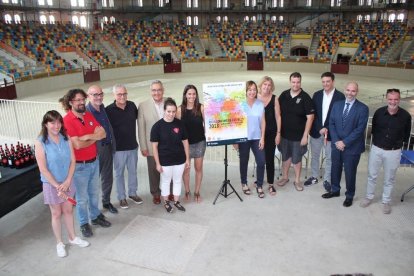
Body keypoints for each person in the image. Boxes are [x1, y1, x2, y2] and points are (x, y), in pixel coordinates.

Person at [35, 110, 90, 257]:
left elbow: (73, 161)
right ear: (45, 124)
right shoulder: (40, 142)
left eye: (59, 122)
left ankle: (72, 238)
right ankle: (59, 243)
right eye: (52, 122)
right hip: (51, 184)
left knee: (68, 210)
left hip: (67, 181)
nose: (56, 125)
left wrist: (67, 181)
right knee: (56, 213)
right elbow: (43, 169)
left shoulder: (66, 138)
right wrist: (57, 186)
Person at [62, 89, 111, 238]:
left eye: (83, 99)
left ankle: (95, 216)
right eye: (78, 100)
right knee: (82, 198)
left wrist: (87, 136)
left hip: (94, 162)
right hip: (79, 166)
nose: (82, 102)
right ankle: (84, 223)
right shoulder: (67, 120)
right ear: (71, 102)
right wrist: (94, 137)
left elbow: (103, 133)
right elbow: (77, 145)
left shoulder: (88, 115)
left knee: (94, 193)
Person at [360, 88, 411, 214]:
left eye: (395, 99)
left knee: (390, 178)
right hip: (377, 149)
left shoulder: (405, 116)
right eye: (390, 99)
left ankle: (386, 201)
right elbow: (374, 130)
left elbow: (406, 135)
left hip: (394, 151)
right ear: (386, 99)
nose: (393, 102)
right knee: (372, 175)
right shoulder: (378, 113)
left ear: (399, 100)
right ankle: (369, 197)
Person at [322, 81, 369, 207]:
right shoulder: (337, 105)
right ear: (344, 90)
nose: (350, 93)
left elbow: (360, 129)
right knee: (335, 169)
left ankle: (349, 196)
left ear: (357, 92)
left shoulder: (363, 108)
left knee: (350, 172)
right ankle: (335, 190)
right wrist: (337, 141)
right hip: (336, 145)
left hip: (352, 148)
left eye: (353, 91)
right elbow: (331, 123)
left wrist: (344, 142)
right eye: (348, 90)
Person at [305, 72, 345, 191]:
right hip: (316, 132)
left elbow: (339, 116)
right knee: (315, 156)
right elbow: (313, 113)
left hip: (331, 134)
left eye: (328, 81)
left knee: (329, 158)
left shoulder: (340, 96)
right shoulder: (317, 95)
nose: (325, 84)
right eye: (323, 82)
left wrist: (327, 127)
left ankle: (327, 179)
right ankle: (314, 176)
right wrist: (319, 128)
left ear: (333, 81)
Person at [106, 84, 142, 209]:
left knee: (133, 172)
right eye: (119, 94)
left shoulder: (132, 106)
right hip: (118, 149)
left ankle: (133, 193)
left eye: (124, 94)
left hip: (132, 146)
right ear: (114, 95)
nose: (122, 96)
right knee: (119, 174)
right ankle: (122, 197)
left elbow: (140, 120)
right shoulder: (108, 110)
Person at [151, 98, 190, 213]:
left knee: (177, 181)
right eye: (169, 111)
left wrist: (187, 159)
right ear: (164, 110)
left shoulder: (180, 124)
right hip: (165, 161)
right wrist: (158, 163)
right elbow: (154, 147)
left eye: (173, 112)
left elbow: (185, 142)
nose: (171, 114)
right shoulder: (157, 127)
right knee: (166, 181)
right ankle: (166, 202)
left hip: (180, 160)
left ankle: (177, 201)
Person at [277, 72, 314, 191]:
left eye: (298, 82)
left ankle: (297, 180)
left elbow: (310, 118)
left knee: (297, 159)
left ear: (300, 82)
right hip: (284, 135)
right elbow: (278, 113)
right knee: (285, 157)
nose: (295, 84)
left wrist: (305, 136)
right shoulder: (284, 95)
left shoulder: (305, 97)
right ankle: (285, 177)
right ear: (290, 82)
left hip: (299, 137)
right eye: (293, 82)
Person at [86, 85, 118, 214]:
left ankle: (106, 202)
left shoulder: (103, 108)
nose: (99, 97)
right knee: (93, 182)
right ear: (88, 96)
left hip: (107, 147)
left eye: (100, 94)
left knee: (107, 177)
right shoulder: (86, 112)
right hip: (94, 151)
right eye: (95, 95)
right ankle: (93, 210)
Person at [234, 81, 266, 198]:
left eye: (254, 90)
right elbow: (235, 123)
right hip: (244, 138)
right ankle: (244, 183)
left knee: (261, 161)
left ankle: (260, 185)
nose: (252, 92)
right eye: (249, 90)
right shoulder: (240, 105)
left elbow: (263, 121)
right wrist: (235, 141)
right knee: (244, 161)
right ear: (246, 91)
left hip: (257, 137)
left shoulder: (260, 104)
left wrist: (262, 137)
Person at [138, 80, 166, 205]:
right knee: (153, 170)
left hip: (168, 144)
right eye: (154, 90)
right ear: (151, 92)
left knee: (167, 169)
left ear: (163, 90)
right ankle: (155, 193)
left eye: (159, 89)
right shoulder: (143, 105)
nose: (157, 92)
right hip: (150, 145)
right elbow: (141, 127)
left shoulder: (169, 102)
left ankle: (167, 192)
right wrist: (143, 146)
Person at [176, 84, 206, 203]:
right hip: (185, 145)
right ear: (185, 95)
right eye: (189, 94)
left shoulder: (201, 108)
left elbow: (208, 125)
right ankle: (187, 191)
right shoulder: (179, 110)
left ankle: (197, 191)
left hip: (199, 143)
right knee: (186, 170)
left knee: (198, 168)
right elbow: (176, 128)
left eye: (194, 94)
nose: (192, 96)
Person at [258, 76, 281, 196]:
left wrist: (278, 133)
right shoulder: (255, 97)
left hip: (271, 133)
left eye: (269, 85)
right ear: (260, 86)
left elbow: (278, 117)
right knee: (260, 159)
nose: (266, 87)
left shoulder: (274, 99)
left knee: (269, 159)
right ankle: (260, 182)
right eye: (264, 85)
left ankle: (271, 184)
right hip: (258, 133)